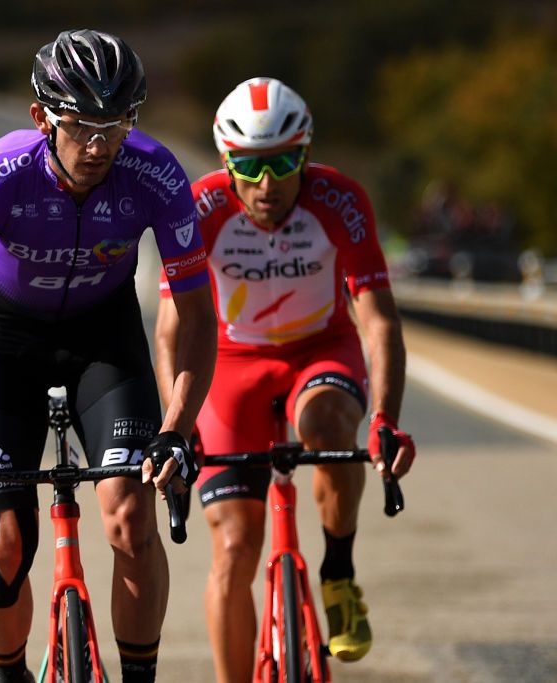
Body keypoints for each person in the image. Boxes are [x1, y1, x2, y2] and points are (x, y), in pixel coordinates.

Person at [0, 29, 217, 683]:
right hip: (6, 339)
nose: (98, 146)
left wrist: (178, 427)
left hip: (104, 334)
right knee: (5, 545)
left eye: (115, 125)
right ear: (41, 117)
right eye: (80, 126)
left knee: (129, 514)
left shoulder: (155, 173)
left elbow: (199, 316)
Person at [154, 77, 416, 682]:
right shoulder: (203, 208)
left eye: (283, 163)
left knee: (327, 422)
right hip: (229, 365)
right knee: (234, 551)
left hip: (319, 351)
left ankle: (338, 574)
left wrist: (386, 420)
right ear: (226, 161)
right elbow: (170, 333)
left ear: (307, 154)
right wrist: (177, 424)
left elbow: (379, 322)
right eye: (249, 167)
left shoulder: (339, 199)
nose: (266, 185)